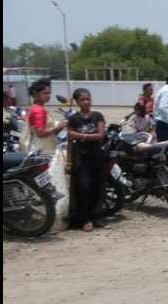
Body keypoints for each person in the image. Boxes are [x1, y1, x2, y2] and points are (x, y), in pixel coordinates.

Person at [64, 88, 107, 232]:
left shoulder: (97, 116)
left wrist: (80, 136)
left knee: (97, 186)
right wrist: (69, 162)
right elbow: (70, 140)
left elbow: (101, 135)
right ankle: (84, 219)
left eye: (88, 99)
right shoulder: (73, 119)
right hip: (80, 156)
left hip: (96, 156)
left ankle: (96, 216)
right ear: (77, 102)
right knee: (83, 187)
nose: (86, 102)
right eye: (82, 100)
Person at [26, 80, 66, 154]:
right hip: (43, 150)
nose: (48, 96)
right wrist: (57, 127)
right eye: (45, 93)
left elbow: (50, 133)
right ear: (35, 94)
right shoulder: (38, 110)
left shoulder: (36, 108)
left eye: (49, 93)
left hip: (46, 146)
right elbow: (40, 133)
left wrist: (60, 127)